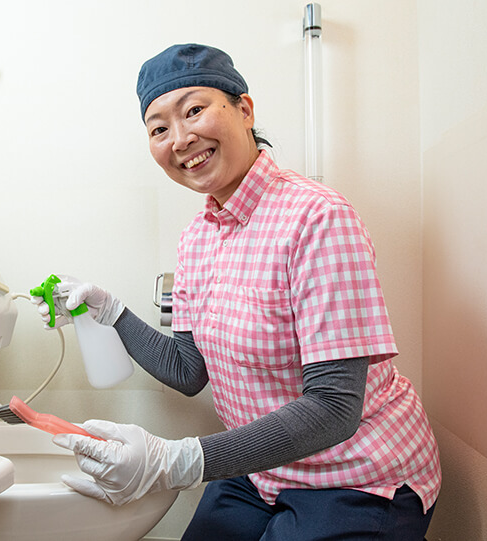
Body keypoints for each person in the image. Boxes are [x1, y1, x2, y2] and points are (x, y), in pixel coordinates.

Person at [35, 43, 441, 540]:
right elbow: (188, 371)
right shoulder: (197, 236)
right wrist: (112, 311)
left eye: (195, 110)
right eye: (159, 128)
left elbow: (335, 407)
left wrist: (180, 460)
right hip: (262, 470)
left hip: (356, 476)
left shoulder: (317, 218)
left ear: (244, 110)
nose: (180, 139)